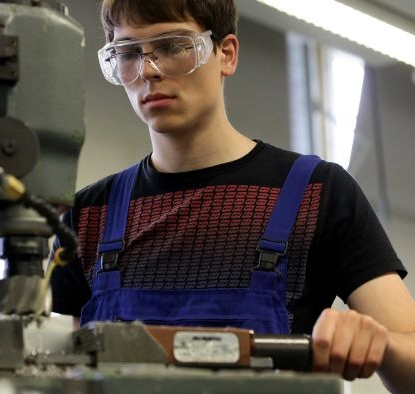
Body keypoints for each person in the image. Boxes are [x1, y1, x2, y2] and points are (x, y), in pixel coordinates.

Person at [50, 1, 415, 392]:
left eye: (172, 46)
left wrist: (378, 344)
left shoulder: (317, 192)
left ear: (226, 54)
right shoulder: (88, 216)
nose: (149, 70)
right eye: (128, 53)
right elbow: (51, 368)